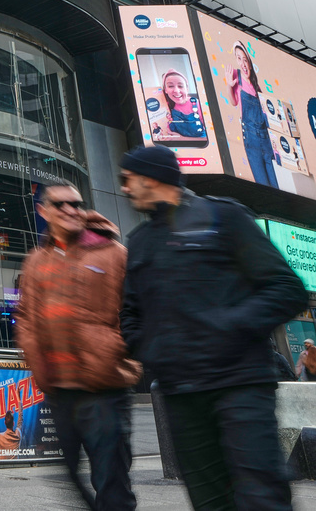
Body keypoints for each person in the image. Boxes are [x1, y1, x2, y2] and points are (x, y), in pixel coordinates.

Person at [119, 144, 306, 510]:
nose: (124, 188)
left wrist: (228, 326)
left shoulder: (225, 216)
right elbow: (130, 314)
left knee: (261, 493)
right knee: (208, 499)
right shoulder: (139, 242)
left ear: (150, 177)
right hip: (180, 394)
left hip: (240, 384)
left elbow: (287, 289)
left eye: (128, 180)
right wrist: (151, 349)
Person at [15, 180, 141, 510]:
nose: (71, 210)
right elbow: (26, 317)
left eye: (76, 203)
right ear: (43, 211)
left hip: (104, 390)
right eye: (61, 204)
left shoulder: (113, 253)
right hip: (58, 389)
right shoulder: (35, 261)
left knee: (111, 479)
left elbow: (140, 309)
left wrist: (119, 349)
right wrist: (35, 359)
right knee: (69, 473)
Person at [229, 41, 278, 188]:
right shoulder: (236, 79)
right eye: (239, 58)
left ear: (250, 63)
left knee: (276, 182)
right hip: (252, 139)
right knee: (263, 184)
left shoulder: (256, 85)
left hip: (266, 138)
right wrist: (229, 86)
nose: (243, 63)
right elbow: (233, 102)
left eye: (245, 59)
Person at [161, 69, 205, 138]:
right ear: (166, 90)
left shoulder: (197, 104)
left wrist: (182, 139)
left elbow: (210, 137)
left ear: (187, 89)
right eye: (170, 86)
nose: (176, 91)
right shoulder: (168, 106)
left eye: (180, 86)